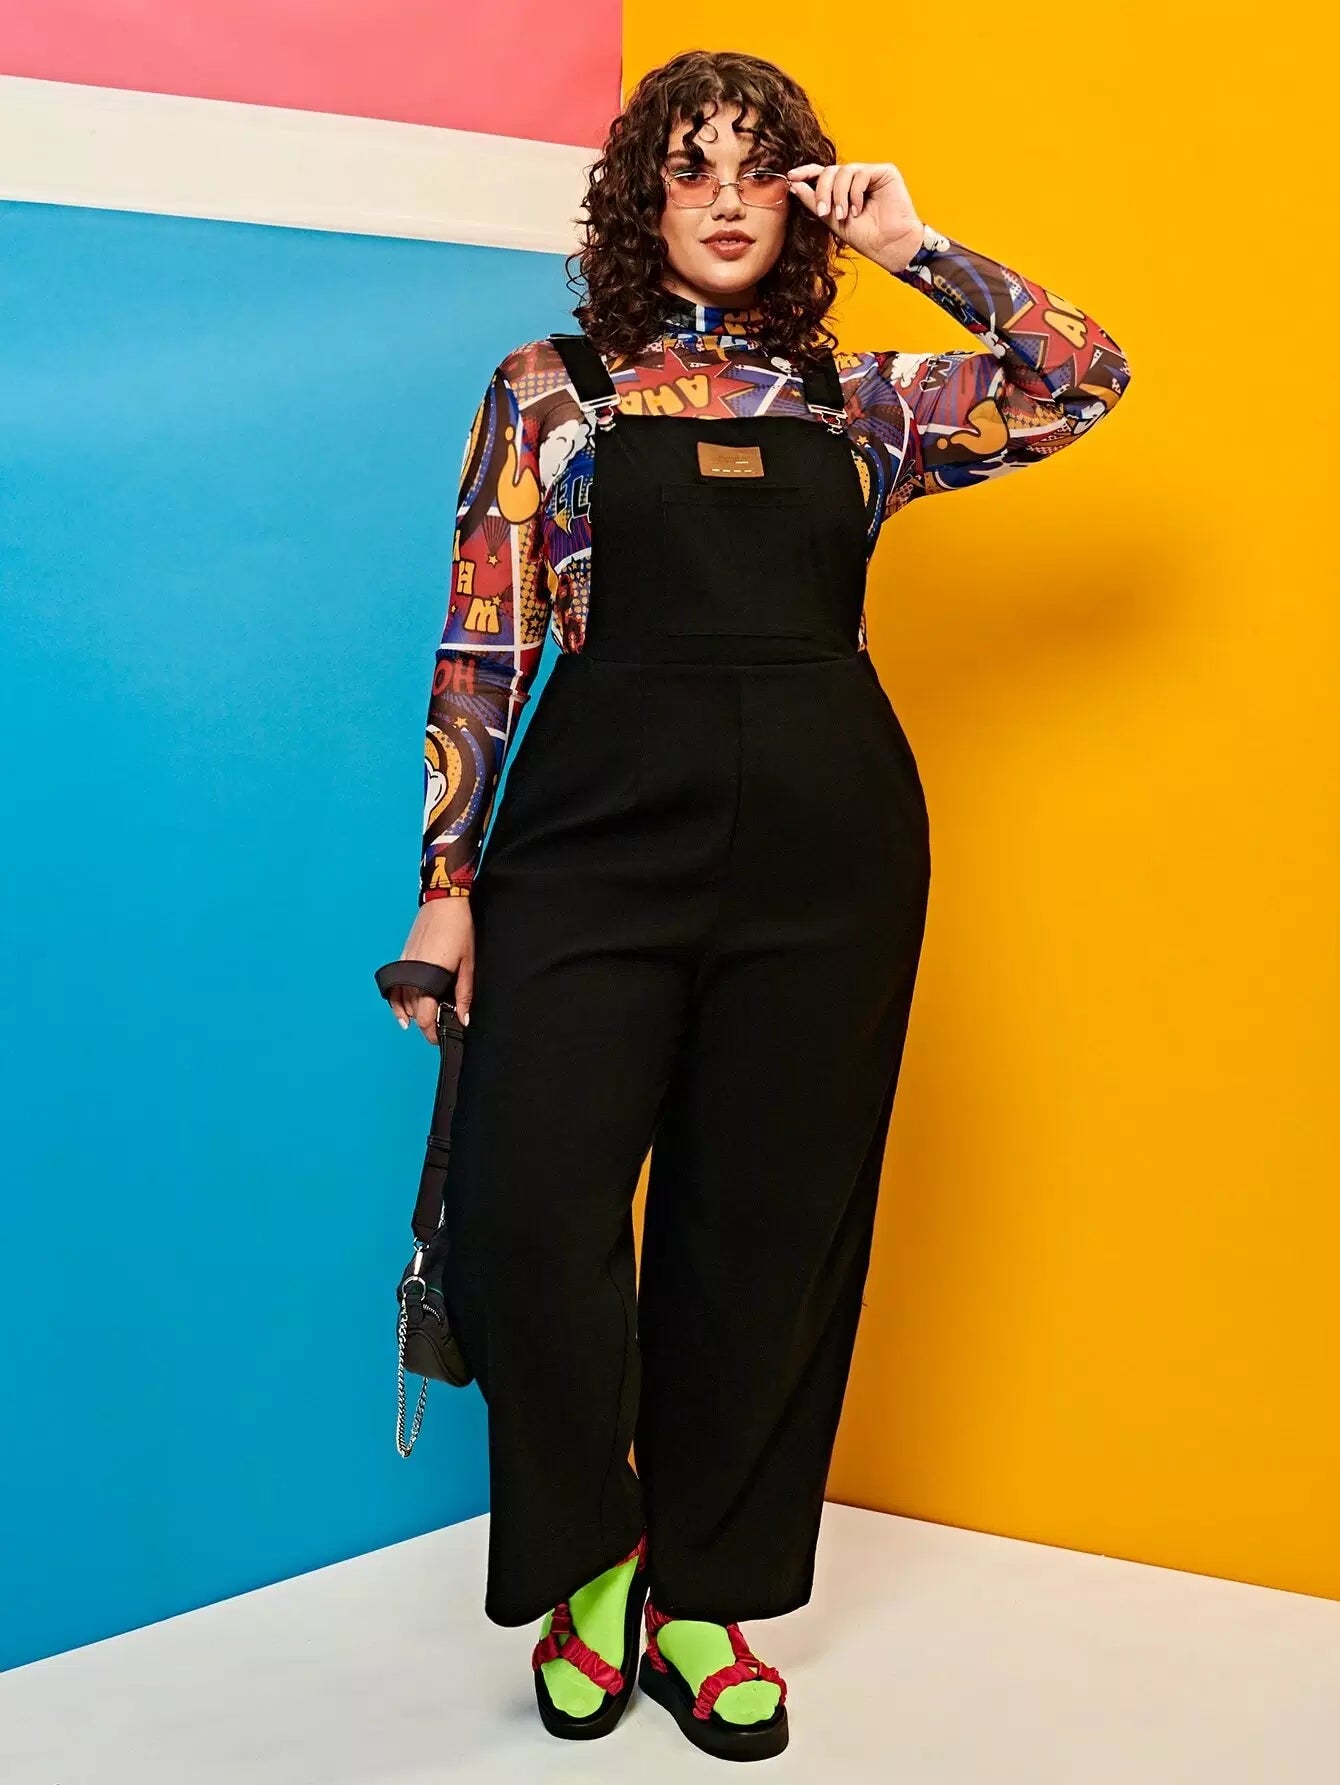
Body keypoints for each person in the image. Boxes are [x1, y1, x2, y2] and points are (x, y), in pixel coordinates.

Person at [383, 47, 1131, 1764]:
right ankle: (591, 1561)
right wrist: (447, 891)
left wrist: (917, 246)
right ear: (640, 199)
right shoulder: (550, 392)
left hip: (827, 857)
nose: (725, 197)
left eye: (759, 167)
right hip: (589, 844)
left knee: (767, 1233)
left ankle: (706, 1595)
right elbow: (483, 644)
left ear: (802, 195)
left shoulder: (861, 401)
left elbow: (1084, 376)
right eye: (690, 167)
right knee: (529, 1213)